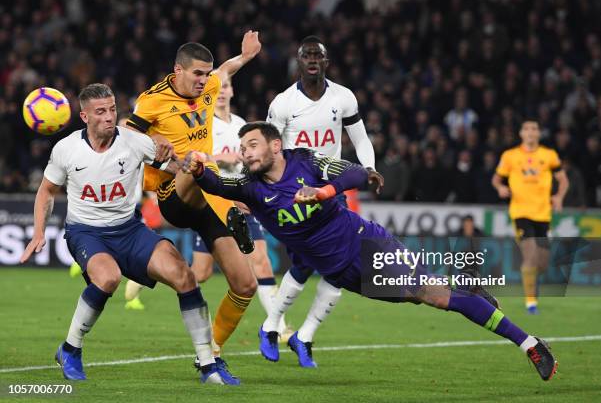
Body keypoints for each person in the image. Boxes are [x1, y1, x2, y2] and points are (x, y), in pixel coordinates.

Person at [183, 121, 558, 381]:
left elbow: (357, 174)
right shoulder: (249, 187)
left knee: (430, 295)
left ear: (274, 146)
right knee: (420, 297)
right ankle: (468, 289)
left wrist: (324, 191)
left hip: (365, 244)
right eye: (243, 147)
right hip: (343, 273)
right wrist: (197, 170)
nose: (245, 153)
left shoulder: (306, 161)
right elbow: (217, 183)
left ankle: (529, 344)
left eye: (252, 145)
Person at [19, 84, 238, 385]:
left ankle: (207, 363)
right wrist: (39, 232)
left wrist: (179, 157)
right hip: (86, 232)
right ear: (84, 116)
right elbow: (46, 190)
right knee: (108, 278)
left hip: (130, 229)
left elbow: (174, 166)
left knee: (184, 276)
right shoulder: (66, 149)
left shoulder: (135, 142)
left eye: (112, 109)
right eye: (100, 112)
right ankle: (70, 349)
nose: (109, 117)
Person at [125, 33, 261, 360]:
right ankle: (231, 206)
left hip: (207, 197)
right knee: (198, 160)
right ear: (178, 70)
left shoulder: (212, 85)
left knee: (245, 285)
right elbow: (126, 136)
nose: (204, 80)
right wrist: (157, 144)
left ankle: (211, 350)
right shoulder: (152, 100)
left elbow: (225, 71)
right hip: (175, 192)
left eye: (207, 73)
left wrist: (245, 56)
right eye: (197, 73)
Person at [264, 35, 383, 367]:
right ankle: (270, 325)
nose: (313, 59)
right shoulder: (283, 103)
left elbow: (360, 139)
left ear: (326, 63)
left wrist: (370, 168)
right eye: (307, 55)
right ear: (298, 62)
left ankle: (305, 336)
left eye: (318, 55)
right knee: (303, 263)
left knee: (339, 268)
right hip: (295, 192)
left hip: (331, 190)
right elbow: (270, 148)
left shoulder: (343, 98)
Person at [189, 73, 290, 339]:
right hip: (214, 200)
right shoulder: (203, 125)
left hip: (242, 200)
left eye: (227, 86)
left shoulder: (242, 125)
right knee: (200, 273)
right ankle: (152, 277)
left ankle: (278, 327)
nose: (222, 92)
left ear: (233, 92)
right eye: (217, 88)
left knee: (262, 263)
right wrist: (221, 158)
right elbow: (192, 159)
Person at [492, 120, 569, 314]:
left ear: (539, 133)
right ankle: (531, 303)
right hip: (520, 213)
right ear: (521, 133)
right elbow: (496, 178)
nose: (530, 132)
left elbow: (563, 180)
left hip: (543, 214)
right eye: (527, 128)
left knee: (542, 263)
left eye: (534, 129)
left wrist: (559, 197)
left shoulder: (549, 155)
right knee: (530, 255)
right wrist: (501, 188)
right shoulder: (510, 156)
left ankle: (532, 284)